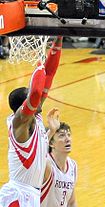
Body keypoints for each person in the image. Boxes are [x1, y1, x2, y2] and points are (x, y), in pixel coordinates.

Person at [0, 36, 63, 207]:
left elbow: (49, 74)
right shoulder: (19, 122)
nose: (42, 98)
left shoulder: (34, 116)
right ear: (23, 106)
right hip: (18, 194)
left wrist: (58, 42)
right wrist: (38, 64)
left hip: (30, 193)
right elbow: (35, 92)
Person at [41, 117, 77, 207]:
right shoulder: (47, 164)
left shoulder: (73, 166)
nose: (67, 139)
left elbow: (71, 202)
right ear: (51, 143)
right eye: (62, 135)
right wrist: (50, 132)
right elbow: (38, 154)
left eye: (69, 135)